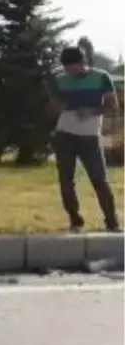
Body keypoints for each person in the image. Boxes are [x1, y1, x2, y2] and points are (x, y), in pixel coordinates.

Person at [51, 47, 120, 233]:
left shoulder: (101, 77)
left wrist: (92, 111)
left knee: (99, 179)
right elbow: (53, 107)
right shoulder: (60, 79)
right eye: (67, 69)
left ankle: (112, 223)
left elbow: (113, 106)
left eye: (73, 68)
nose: (70, 72)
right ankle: (75, 221)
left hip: (89, 135)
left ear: (83, 63)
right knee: (66, 180)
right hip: (64, 133)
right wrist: (57, 107)